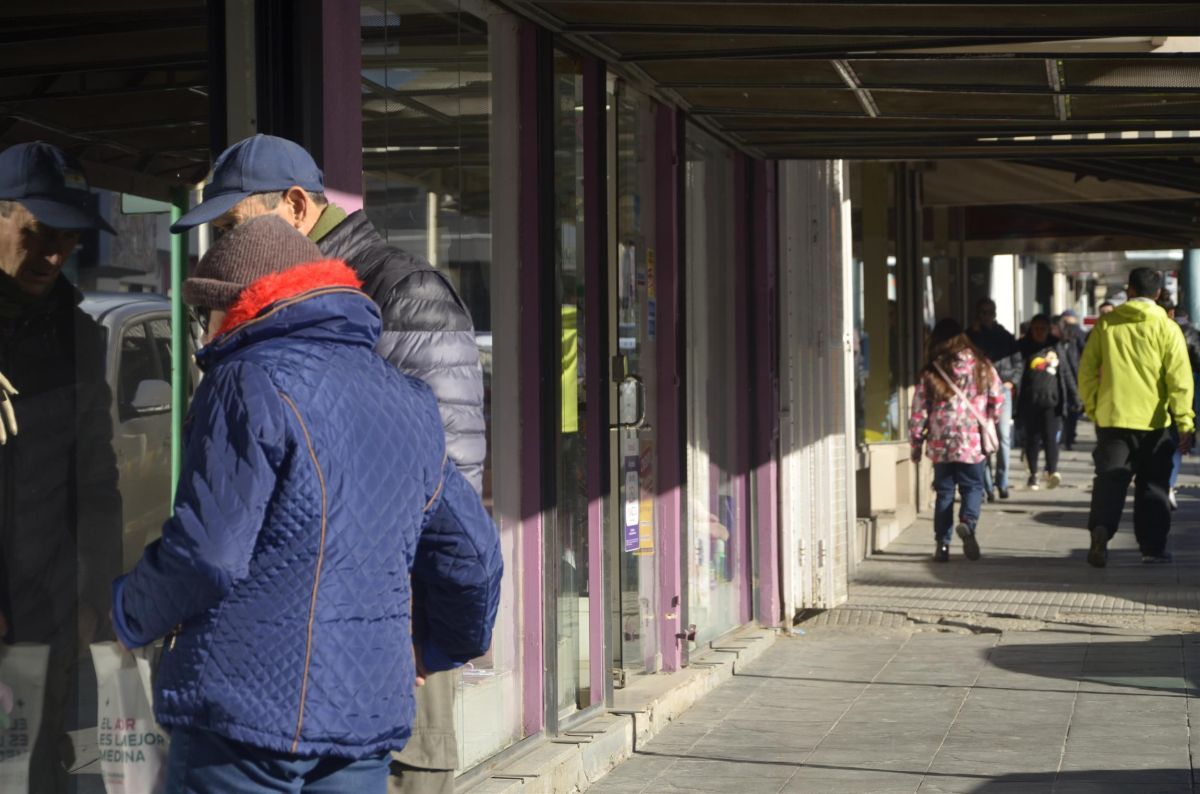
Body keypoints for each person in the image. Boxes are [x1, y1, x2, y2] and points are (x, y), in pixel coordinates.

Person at [111, 216, 503, 792]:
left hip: (243, 720)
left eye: (206, 314)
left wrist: (127, 609)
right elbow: (476, 555)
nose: (204, 333)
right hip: (363, 721)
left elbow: (209, 552)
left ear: (240, 307)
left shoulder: (245, 378)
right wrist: (438, 646)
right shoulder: (407, 399)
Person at [0, 141, 123, 793]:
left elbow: (96, 483)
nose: (53, 254)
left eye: (68, 239)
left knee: (43, 776)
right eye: (37, 234)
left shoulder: (78, 335)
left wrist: (91, 596)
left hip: (47, 622)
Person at [1079, 268, 1195, 567]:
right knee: (1153, 485)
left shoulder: (1106, 324)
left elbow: (1087, 372)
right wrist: (1185, 421)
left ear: (1129, 290)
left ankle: (1102, 528)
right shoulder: (1167, 328)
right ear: (1157, 294)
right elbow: (1179, 379)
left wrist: (1094, 408)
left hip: (1113, 418)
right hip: (1156, 422)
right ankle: (1152, 548)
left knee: (1110, 479)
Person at [910, 319, 1004, 563]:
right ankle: (968, 522)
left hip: (941, 441)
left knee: (944, 492)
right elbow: (998, 397)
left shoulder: (932, 370)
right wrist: (990, 419)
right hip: (971, 439)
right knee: (973, 486)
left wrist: (916, 443)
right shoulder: (982, 366)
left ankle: (942, 544)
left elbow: (919, 410)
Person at [1015, 314, 1080, 491]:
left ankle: (1052, 472)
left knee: (1051, 438)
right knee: (1032, 439)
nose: (1040, 332)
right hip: (1029, 402)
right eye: (1036, 328)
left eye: (1043, 328)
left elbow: (1066, 373)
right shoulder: (1023, 347)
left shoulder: (1056, 346)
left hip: (1053, 402)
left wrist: (1075, 397)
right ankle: (1033, 474)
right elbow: (1017, 373)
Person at [966, 298, 1019, 500]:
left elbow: (1017, 360)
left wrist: (1011, 382)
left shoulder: (1003, 335)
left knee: (1003, 437)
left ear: (994, 314)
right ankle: (987, 485)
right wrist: (976, 332)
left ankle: (1002, 482)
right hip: (979, 391)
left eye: (989, 312)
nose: (986, 316)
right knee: (983, 438)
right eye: (982, 312)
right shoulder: (971, 335)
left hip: (1002, 389)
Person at [1158, 296, 1200, 509]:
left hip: (1152, 399)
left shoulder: (1155, 330)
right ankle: (1168, 485)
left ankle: (1163, 485)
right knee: (1175, 443)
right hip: (1184, 392)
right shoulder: (1190, 333)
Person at [1058, 310, 1087, 450]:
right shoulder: (1080, 333)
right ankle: (1069, 436)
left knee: (1070, 406)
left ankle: (1066, 436)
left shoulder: (1073, 333)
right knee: (1073, 407)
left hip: (1069, 374)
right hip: (1075, 374)